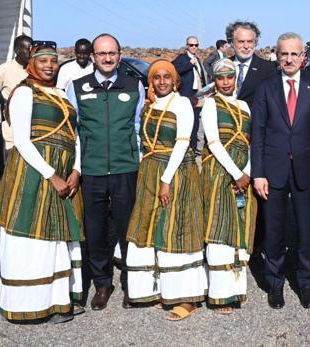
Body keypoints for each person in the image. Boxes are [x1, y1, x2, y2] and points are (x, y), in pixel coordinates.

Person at [0, 41, 84, 323]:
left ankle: (58, 301)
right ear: (32, 62)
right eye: (43, 61)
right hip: (33, 174)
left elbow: (74, 135)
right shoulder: (24, 92)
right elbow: (21, 140)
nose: (49, 66)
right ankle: (28, 304)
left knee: (56, 238)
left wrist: (76, 171)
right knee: (31, 237)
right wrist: (52, 175)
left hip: (64, 171)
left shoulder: (60, 93)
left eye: (53, 61)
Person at [250, 32, 310, 310]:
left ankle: (305, 283)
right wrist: (258, 173)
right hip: (273, 172)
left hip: (307, 173)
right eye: (284, 53)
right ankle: (275, 282)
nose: (289, 59)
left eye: (294, 54)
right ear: (277, 55)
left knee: (306, 232)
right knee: (274, 232)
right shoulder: (266, 87)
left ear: (303, 57)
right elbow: (257, 133)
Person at [67, 33, 145, 310]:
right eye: (102, 54)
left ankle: (131, 283)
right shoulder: (76, 87)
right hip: (93, 169)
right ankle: (102, 283)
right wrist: (77, 167)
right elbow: (73, 132)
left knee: (127, 229)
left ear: (120, 55)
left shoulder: (135, 85)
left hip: (126, 168)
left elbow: (138, 128)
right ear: (93, 57)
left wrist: (139, 159)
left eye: (112, 53)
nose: (108, 58)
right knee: (95, 230)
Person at [124, 60, 207, 320]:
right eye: (156, 77)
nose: (162, 82)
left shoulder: (181, 103)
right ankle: (163, 290)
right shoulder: (148, 105)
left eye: (167, 77)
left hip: (176, 172)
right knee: (152, 227)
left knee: (177, 228)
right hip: (150, 170)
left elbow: (183, 143)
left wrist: (166, 179)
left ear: (175, 81)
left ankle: (188, 297)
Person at [200, 58, 255, 313]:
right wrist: (236, 174)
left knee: (239, 227)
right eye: (220, 78)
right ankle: (220, 294)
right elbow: (213, 142)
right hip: (219, 171)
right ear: (215, 80)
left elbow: (252, 141)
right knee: (220, 226)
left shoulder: (244, 105)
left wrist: (247, 171)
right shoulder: (210, 104)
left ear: (235, 79)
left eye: (229, 78)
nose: (225, 82)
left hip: (243, 170)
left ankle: (236, 289)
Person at [0, 34, 32, 151]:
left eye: (33, 49)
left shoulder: (35, 71)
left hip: (32, 134)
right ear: (17, 50)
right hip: (10, 136)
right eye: (28, 48)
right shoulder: (2, 71)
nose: (31, 52)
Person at [226, 20, 278, 108]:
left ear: (256, 42)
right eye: (241, 42)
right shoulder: (223, 66)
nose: (246, 46)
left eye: (250, 41)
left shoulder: (268, 69)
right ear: (231, 43)